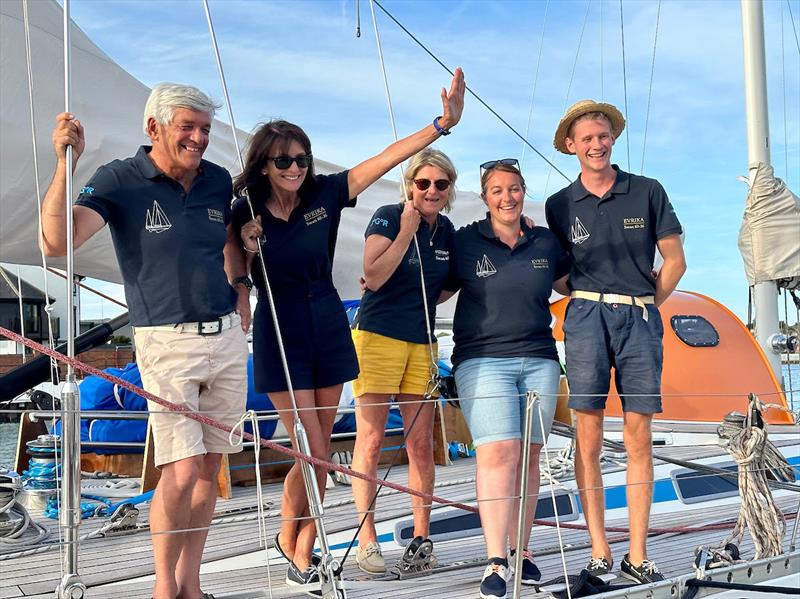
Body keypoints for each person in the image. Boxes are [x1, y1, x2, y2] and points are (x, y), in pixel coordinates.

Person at [235, 69, 465, 594]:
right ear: (264, 165)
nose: (294, 167)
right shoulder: (242, 211)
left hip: (327, 322)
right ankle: (293, 546)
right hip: (279, 327)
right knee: (311, 449)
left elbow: (387, 159)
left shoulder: (325, 196)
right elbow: (229, 264)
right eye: (282, 160)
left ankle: (300, 550)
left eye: (301, 158)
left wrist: (441, 125)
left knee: (318, 453)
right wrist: (245, 260)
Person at [40, 83, 251, 599]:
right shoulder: (121, 179)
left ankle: (190, 584)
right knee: (178, 471)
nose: (199, 137)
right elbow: (56, 241)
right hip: (165, 339)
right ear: (154, 127)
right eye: (189, 126)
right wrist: (66, 166)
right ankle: (163, 587)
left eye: (205, 128)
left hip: (225, 337)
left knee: (209, 467)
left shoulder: (217, 180)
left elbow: (227, 236)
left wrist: (241, 287)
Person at [545, 99, 686, 585]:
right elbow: (560, 274)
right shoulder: (559, 204)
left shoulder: (647, 191)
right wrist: (588, 298)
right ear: (571, 146)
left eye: (602, 135)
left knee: (638, 436)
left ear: (613, 139)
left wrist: (647, 300)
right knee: (586, 438)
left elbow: (675, 261)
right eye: (586, 138)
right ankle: (600, 548)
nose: (596, 144)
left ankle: (639, 552)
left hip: (639, 318)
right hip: (584, 318)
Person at [445, 160, 569, 599]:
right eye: (497, 190)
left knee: (531, 458)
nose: (508, 198)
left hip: (539, 358)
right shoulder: (464, 242)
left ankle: (523, 548)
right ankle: (496, 559)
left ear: (523, 191)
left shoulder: (544, 241)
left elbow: (574, 282)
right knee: (499, 455)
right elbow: (433, 284)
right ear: (484, 198)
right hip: (482, 360)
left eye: (514, 189)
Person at [349, 148, 457, 574]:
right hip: (377, 337)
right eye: (423, 183)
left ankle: (420, 537)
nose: (431, 190)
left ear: (449, 190)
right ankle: (368, 540)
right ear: (410, 185)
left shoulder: (447, 231)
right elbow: (373, 275)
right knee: (372, 441)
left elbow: (447, 286)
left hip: (422, 342)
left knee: (420, 445)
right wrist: (406, 232)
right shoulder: (389, 215)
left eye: (441, 184)